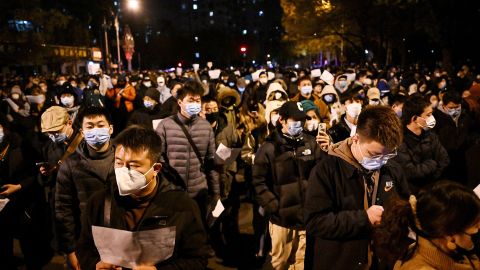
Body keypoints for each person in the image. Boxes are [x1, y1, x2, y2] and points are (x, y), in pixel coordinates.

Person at [76, 126, 209, 269]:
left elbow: (198, 259)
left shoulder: (182, 206)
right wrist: (95, 265)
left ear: (155, 169)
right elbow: (84, 249)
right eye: (119, 163)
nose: (123, 171)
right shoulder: (99, 202)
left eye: (133, 165)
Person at [304, 106, 410, 270]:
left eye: (388, 155)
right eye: (374, 155)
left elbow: (403, 204)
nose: (382, 161)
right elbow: (315, 222)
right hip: (340, 261)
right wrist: (364, 218)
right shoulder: (326, 171)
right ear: (355, 139)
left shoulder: (392, 170)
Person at [253, 101, 325, 269]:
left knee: (300, 261)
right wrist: (275, 206)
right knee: (280, 262)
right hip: (281, 220)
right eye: (294, 120)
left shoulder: (311, 143)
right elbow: (258, 181)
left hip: (305, 216)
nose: (299, 124)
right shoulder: (269, 148)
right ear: (282, 120)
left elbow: (320, 175)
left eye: (301, 120)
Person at [55, 107, 115, 270]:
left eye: (100, 125)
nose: (95, 130)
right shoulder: (70, 165)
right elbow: (63, 209)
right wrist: (70, 249)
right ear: (82, 131)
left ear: (110, 128)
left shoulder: (125, 158)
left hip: (121, 237)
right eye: (90, 126)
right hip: (88, 240)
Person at [156, 80, 220, 225]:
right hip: (173, 192)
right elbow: (158, 158)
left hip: (199, 192)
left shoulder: (206, 127)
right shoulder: (165, 125)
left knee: (198, 231)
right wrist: (166, 185)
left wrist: (216, 194)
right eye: (191, 100)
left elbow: (211, 162)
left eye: (198, 100)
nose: (195, 104)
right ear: (180, 102)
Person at [376, 181, 480, 270]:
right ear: (450, 237)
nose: (479, 229)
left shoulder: (453, 251)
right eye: (476, 227)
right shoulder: (419, 266)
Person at [0, 116, 53, 269]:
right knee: (4, 244)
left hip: (24, 204)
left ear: (5, 127)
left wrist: (18, 186)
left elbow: (36, 174)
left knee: (29, 245)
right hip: (2, 206)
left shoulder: (24, 145)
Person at [395, 95, 449, 194]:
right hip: (413, 193)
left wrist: (434, 179)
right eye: (428, 115)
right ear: (415, 118)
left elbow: (444, 159)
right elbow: (410, 172)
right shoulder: (400, 141)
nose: (432, 118)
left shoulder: (431, 135)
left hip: (434, 188)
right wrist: (433, 164)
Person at [433, 90, 473, 184]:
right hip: (446, 160)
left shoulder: (464, 115)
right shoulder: (436, 119)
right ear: (443, 106)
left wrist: (468, 142)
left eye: (457, 107)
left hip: (463, 157)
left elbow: (472, 131)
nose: (455, 110)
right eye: (451, 108)